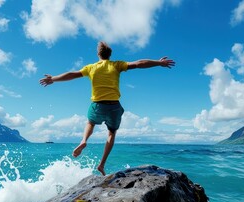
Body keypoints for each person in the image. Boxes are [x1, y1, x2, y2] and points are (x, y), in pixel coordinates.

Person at [39, 41, 175, 176]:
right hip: (114, 106)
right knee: (111, 133)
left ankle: (84, 140)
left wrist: (53, 79)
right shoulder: (116, 65)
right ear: (110, 55)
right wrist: (158, 62)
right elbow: (139, 63)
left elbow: (72, 74)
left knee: (90, 123)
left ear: (98, 54)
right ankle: (102, 164)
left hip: (97, 105)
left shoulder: (91, 68)